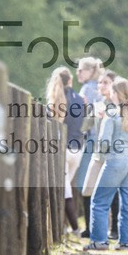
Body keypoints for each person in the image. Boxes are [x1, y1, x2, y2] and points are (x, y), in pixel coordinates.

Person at [84, 77, 128, 251]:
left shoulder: (111, 114)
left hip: (116, 160)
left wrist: (101, 157)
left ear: (115, 94)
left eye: (111, 92)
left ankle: (99, 241)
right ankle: (125, 242)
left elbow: (104, 142)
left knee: (99, 201)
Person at [44, 67, 86, 233]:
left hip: (62, 149)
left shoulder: (54, 101)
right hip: (77, 149)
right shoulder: (80, 100)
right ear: (70, 80)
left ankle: (73, 227)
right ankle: (66, 226)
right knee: (67, 186)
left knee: (64, 189)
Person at [74, 57, 105, 238]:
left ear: (90, 71)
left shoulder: (87, 89)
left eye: (81, 70)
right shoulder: (100, 87)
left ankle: (90, 227)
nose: (78, 73)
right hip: (103, 140)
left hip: (91, 139)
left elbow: (80, 116)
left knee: (84, 184)